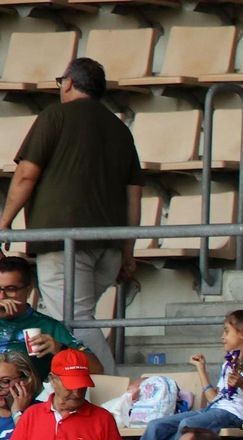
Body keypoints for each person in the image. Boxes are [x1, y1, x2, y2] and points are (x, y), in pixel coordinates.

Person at [0, 57, 140, 371]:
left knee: (73, 321)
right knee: (70, 316)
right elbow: (134, 196)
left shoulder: (55, 116)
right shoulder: (120, 128)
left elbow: (25, 174)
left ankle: (108, 386)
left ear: (68, 83)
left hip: (65, 243)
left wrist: (4, 222)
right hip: (110, 245)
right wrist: (128, 250)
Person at [128, 309, 243, 440]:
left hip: (234, 415)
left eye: (226, 331)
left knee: (187, 425)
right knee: (156, 426)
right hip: (213, 410)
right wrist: (201, 369)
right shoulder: (229, 364)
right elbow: (213, 398)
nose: (222, 336)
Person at [0, 256, 98, 380]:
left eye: (11, 289)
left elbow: (97, 368)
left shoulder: (47, 326)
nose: (2, 296)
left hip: (30, 396)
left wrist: (60, 349)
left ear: (29, 290)